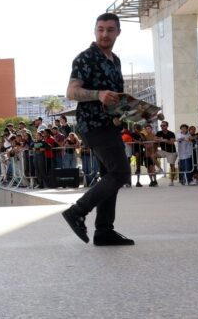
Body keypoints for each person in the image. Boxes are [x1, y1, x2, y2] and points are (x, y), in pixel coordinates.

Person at [62, 13, 134, 246]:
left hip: (110, 124)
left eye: (110, 30)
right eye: (100, 29)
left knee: (109, 175)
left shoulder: (116, 60)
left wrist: (129, 112)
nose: (105, 34)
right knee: (120, 173)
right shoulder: (85, 58)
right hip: (93, 124)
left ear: (118, 32)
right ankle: (77, 211)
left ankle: (104, 231)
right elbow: (71, 92)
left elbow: (115, 97)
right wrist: (98, 94)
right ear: (95, 31)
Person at [156, 121, 178, 186]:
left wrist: (164, 140)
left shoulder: (171, 133)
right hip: (163, 151)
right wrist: (160, 139)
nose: (162, 127)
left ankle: (172, 181)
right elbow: (155, 139)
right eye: (161, 125)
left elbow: (171, 142)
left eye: (164, 125)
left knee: (172, 166)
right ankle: (160, 168)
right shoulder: (159, 132)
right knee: (152, 155)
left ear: (167, 126)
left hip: (171, 151)